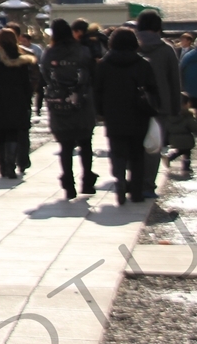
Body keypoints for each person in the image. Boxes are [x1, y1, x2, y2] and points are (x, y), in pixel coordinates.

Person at [94, 27, 163, 204]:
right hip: (139, 115)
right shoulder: (143, 64)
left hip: (114, 115)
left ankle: (120, 181)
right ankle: (137, 192)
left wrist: (101, 112)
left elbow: (97, 91)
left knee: (117, 152)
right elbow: (154, 91)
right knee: (137, 155)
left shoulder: (103, 65)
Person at [40, 20, 97, 198]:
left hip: (59, 103)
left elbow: (45, 76)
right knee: (85, 143)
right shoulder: (83, 50)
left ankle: (68, 183)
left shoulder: (49, 53)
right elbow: (92, 73)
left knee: (65, 146)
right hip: (82, 101)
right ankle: (87, 180)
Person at [133, 10, 184, 196]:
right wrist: (176, 108)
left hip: (133, 103)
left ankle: (133, 181)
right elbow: (174, 81)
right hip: (159, 105)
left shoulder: (132, 46)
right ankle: (147, 185)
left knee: (135, 143)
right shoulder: (166, 49)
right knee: (153, 145)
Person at [0, 27, 40, 179]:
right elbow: (27, 83)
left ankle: (2, 165)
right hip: (18, 101)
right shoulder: (22, 58)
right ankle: (11, 165)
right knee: (13, 134)